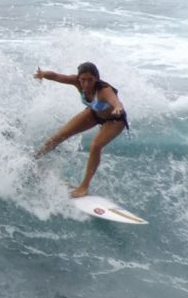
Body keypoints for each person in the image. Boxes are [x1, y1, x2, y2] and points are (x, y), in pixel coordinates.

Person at [34, 62, 128, 198]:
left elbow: (115, 101)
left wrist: (118, 107)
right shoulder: (77, 82)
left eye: (90, 80)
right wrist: (43, 74)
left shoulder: (104, 90)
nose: (86, 83)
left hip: (114, 120)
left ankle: (84, 187)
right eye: (83, 79)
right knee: (60, 135)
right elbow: (57, 76)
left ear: (96, 78)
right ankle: (34, 159)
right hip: (94, 113)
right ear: (79, 78)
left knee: (95, 145)